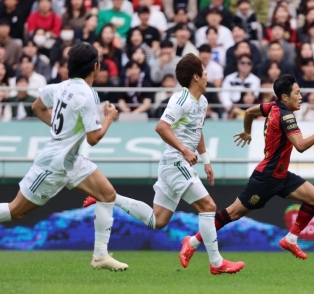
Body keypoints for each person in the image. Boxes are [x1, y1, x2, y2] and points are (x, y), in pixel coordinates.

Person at [0, 43, 129, 271]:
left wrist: (63, 131)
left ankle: (100, 255)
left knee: (107, 194)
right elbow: (93, 138)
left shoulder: (61, 87)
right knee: (17, 211)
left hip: (70, 159)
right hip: (54, 164)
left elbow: (37, 106)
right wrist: (109, 118)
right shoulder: (88, 95)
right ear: (96, 67)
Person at [83, 53, 245, 275]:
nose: (208, 76)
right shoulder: (181, 100)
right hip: (176, 163)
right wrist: (184, 150)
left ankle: (109, 197)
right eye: (205, 72)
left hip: (177, 164)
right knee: (208, 207)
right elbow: (161, 127)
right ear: (196, 76)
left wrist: (206, 161)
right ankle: (216, 263)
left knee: (157, 221)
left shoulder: (203, 101)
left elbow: (196, 131)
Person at [178, 74, 314, 266]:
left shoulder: (273, 106)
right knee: (232, 214)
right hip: (266, 177)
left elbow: (250, 112)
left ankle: (291, 238)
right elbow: (300, 146)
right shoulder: (286, 116)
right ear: (285, 97)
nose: (301, 96)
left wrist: (247, 131)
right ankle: (192, 241)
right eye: (298, 92)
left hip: (281, 175)